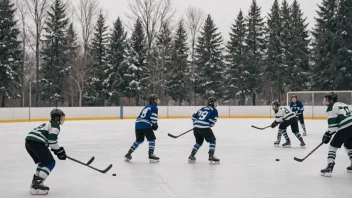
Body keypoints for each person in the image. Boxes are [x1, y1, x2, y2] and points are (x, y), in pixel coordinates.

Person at [25, 109, 66, 195]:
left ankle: (35, 181)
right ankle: (37, 185)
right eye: (61, 118)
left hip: (29, 142)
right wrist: (59, 151)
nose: (62, 120)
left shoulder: (49, 123)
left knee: (43, 162)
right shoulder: (55, 126)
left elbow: (48, 141)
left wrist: (57, 150)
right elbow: (52, 141)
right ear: (56, 118)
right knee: (50, 162)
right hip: (37, 143)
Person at [320, 92, 352, 177]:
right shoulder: (342, 104)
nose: (325, 101)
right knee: (348, 146)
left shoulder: (331, 107)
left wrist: (327, 134)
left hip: (346, 127)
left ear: (332, 99)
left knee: (333, 146)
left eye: (327, 99)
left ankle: (329, 167)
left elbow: (333, 127)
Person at [124, 94, 159, 163]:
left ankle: (128, 153)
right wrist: (155, 125)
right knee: (152, 139)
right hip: (145, 125)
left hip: (137, 125)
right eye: (156, 99)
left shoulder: (146, 107)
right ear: (152, 101)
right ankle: (151, 154)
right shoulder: (154, 107)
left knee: (139, 140)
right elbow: (153, 117)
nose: (157, 101)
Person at [188, 96, 219, 164]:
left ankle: (191, 156)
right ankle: (211, 156)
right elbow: (212, 121)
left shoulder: (203, 108)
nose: (217, 104)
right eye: (216, 102)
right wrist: (208, 125)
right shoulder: (214, 110)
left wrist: (197, 123)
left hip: (196, 128)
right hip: (204, 128)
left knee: (199, 142)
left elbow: (193, 116)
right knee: (212, 140)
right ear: (212, 103)